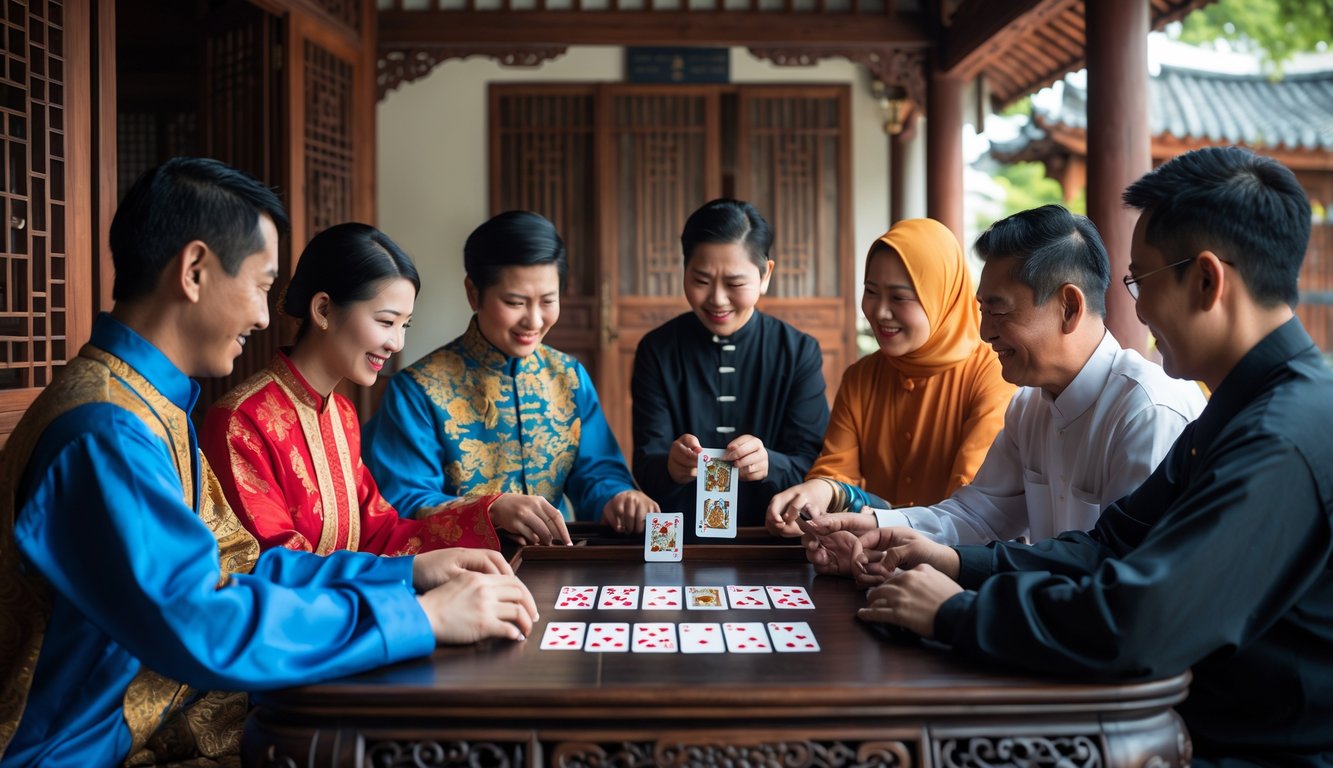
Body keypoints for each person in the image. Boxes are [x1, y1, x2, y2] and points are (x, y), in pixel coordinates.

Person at [0, 158, 538, 766]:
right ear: (196, 270)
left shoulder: (151, 407)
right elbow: (202, 619)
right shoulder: (109, 431)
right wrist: (414, 616)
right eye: (260, 285)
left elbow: (243, 565)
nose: (263, 314)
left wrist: (407, 578)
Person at [854, 147, 1333, 765]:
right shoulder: (1238, 411)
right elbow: (1109, 545)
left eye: (1142, 282)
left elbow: (1143, 620)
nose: (1135, 307)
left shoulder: (1280, 436)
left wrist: (958, 614)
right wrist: (957, 566)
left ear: (1208, 281)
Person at [796, 206, 1206, 572]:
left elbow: (1122, 579)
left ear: (1069, 307)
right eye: (981, 309)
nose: (984, 331)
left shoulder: (1147, 411)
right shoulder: (1030, 405)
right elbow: (979, 515)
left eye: (1000, 310)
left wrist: (953, 609)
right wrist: (873, 525)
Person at [202, 223, 508, 555]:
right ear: (323, 310)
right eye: (385, 322)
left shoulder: (342, 415)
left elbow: (380, 534)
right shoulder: (240, 423)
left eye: (404, 325)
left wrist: (489, 515)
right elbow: (275, 563)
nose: (396, 343)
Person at [363, 211, 658, 536]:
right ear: (474, 293)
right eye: (515, 302)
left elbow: (597, 471)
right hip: (459, 571)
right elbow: (402, 500)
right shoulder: (418, 390)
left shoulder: (569, 377)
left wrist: (619, 498)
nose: (533, 321)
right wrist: (489, 510)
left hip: (554, 563)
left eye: (548, 301)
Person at [766, 219, 1015, 536]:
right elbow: (838, 470)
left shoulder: (992, 375)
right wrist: (817, 495)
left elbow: (970, 503)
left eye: (899, 298)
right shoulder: (862, 377)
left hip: (952, 567)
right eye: (871, 292)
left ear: (941, 297)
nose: (880, 311)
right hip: (866, 556)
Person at [631, 199, 829, 529]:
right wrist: (671, 466)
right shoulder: (657, 349)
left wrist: (771, 464)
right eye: (701, 281)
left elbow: (815, 464)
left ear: (766, 274)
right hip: (682, 536)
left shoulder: (798, 352)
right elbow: (645, 460)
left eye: (735, 284)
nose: (717, 299)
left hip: (774, 536)